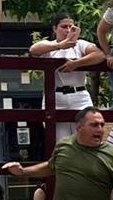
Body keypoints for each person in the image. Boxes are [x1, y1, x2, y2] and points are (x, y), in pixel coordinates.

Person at [28, 9, 106, 145]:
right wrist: (59, 45)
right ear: (55, 28)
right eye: (64, 27)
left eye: (71, 27)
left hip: (79, 95)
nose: (68, 30)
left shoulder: (80, 44)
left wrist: (76, 63)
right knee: (61, 142)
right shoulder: (50, 46)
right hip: (56, 97)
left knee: (86, 137)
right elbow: (33, 49)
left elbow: (99, 55)